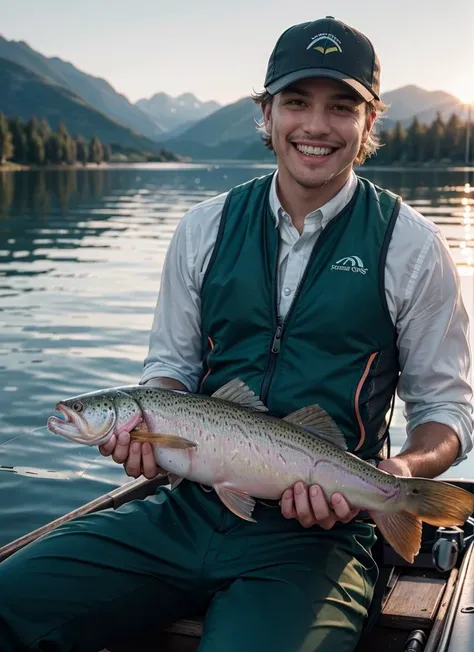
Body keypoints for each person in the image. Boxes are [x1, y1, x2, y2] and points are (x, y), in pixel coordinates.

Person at [0, 15, 472, 652]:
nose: (315, 126)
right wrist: (145, 433)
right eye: (297, 102)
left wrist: (396, 471)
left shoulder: (413, 247)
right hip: (184, 507)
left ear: (368, 124)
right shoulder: (202, 229)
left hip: (320, 537)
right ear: (268, 112)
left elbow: (447, 411)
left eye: (341, 107)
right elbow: (167, 371)